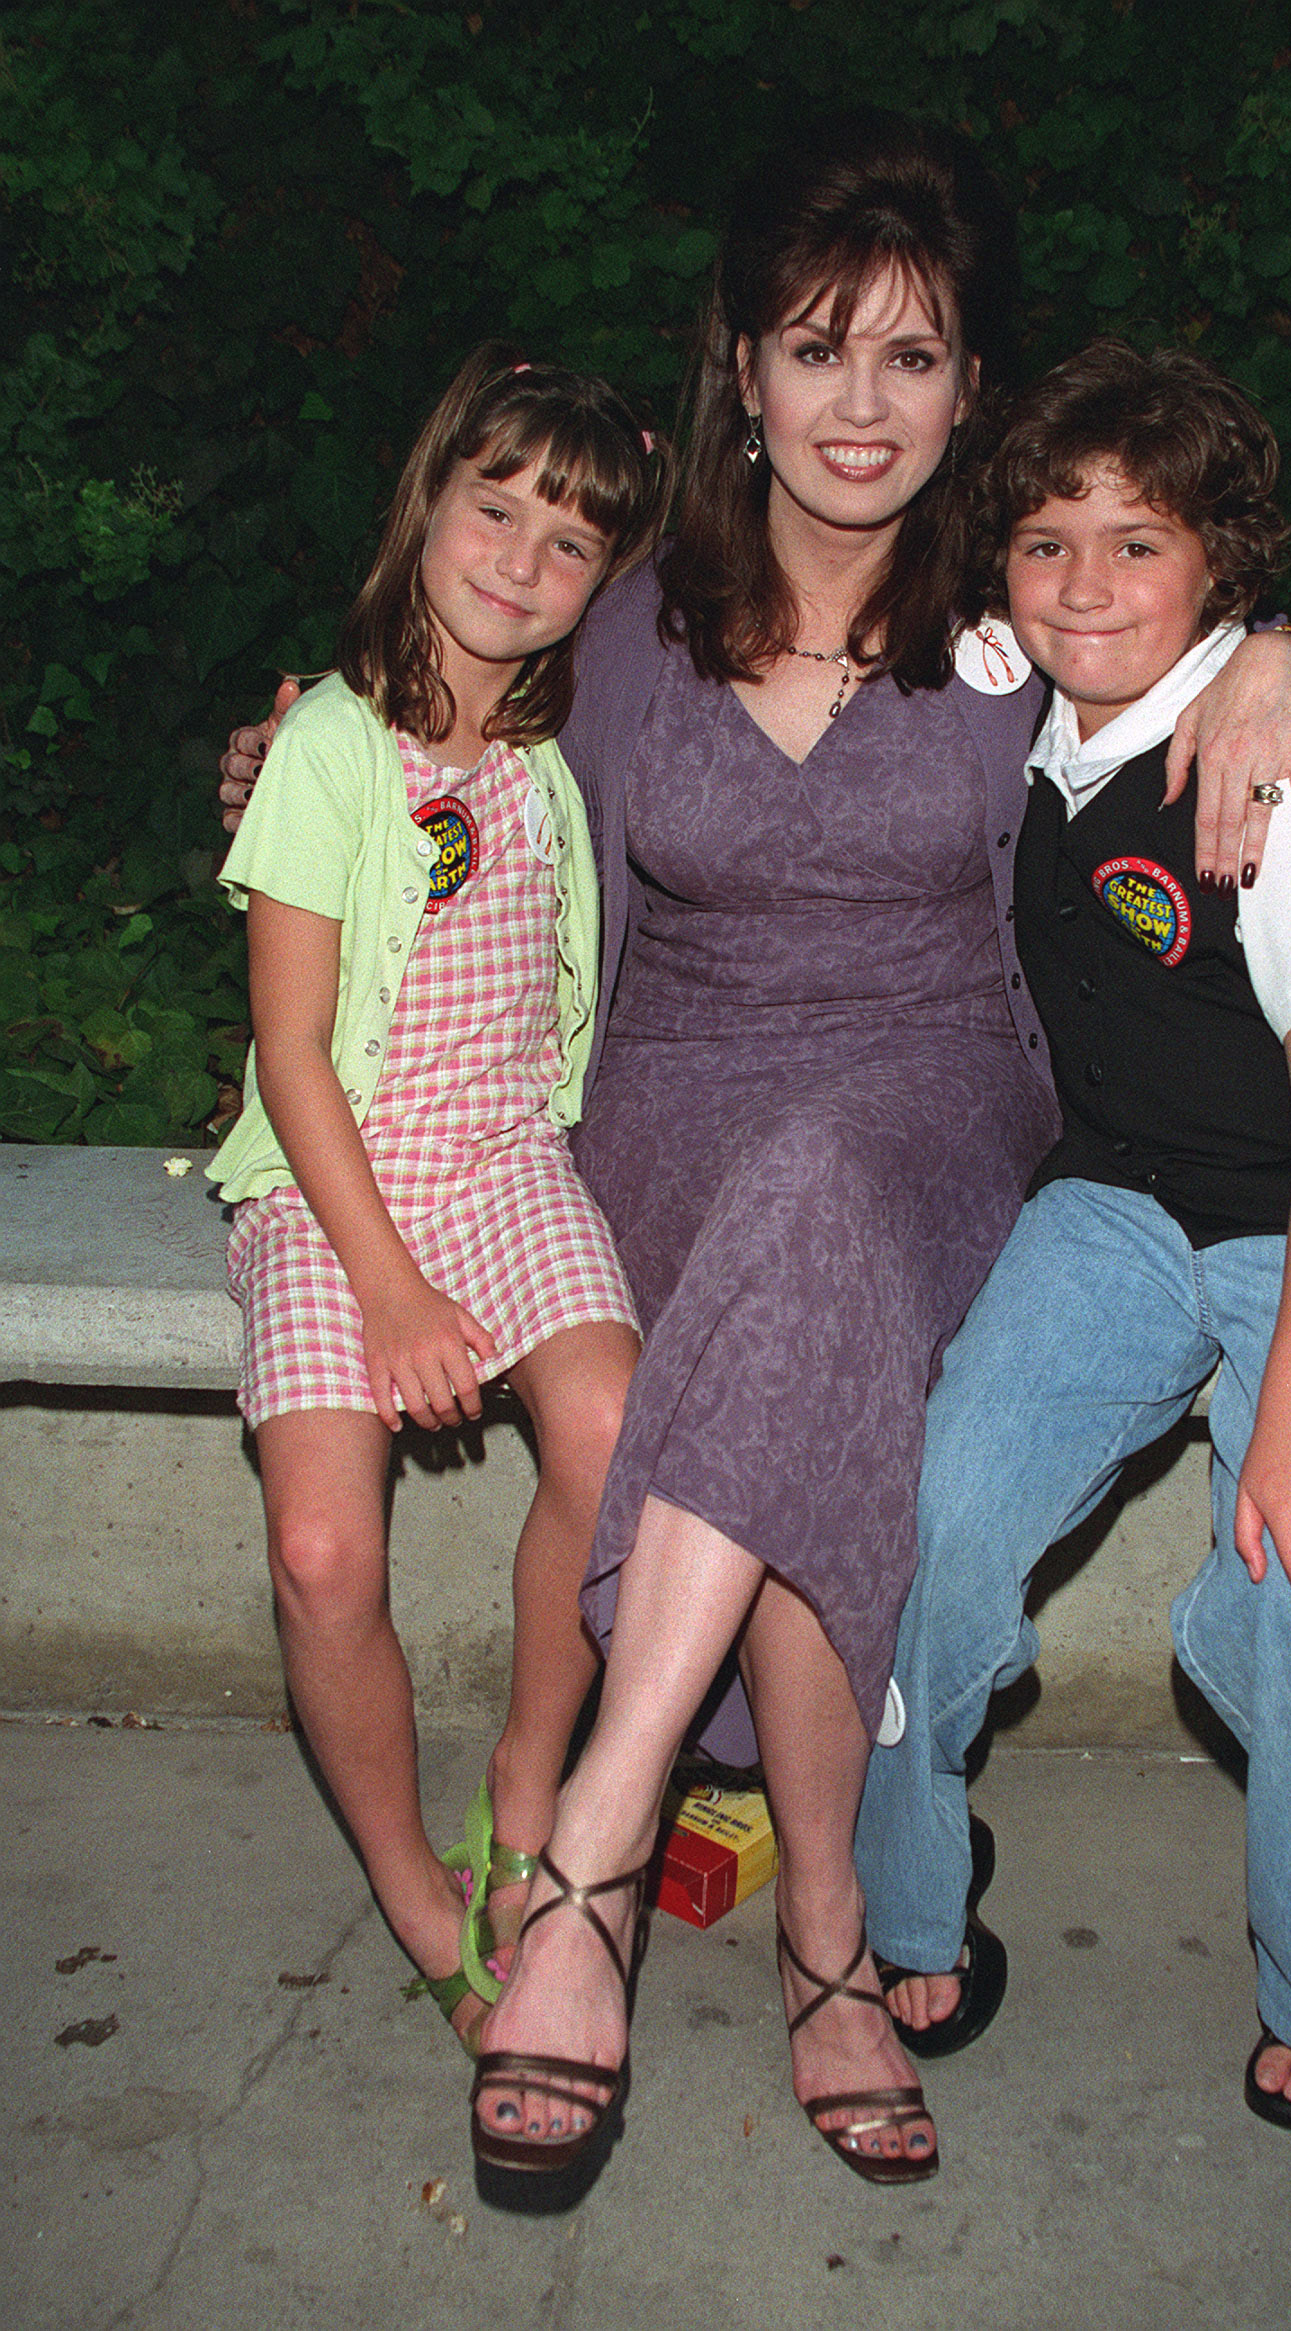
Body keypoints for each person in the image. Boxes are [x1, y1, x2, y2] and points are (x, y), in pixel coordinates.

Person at [219, 117, 1291, 2189]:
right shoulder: (625, 620)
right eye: (817, 348)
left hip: (942, 1089)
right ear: (740, 367)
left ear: (970, 388)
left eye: (917, 358)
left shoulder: (1015, 617)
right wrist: (288, 738)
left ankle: (597, 1844)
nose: (865, 405)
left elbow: (1247, 649)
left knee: (823, 1200)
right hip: (661, 1100)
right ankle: (827, 1938)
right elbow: (424, 738)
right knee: (778, 1248)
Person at [854, 337, 1291, 2133]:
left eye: (1140, 545)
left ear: (1222, 564)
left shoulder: (1272, 771)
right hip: (1121, 1192)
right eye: (1047, 542)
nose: (1086, 584)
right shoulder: (1018, 673)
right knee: (934, 1510)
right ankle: (913, 1889)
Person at [209, 346, 669, 2054]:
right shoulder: (330, 743)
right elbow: (293, 1053)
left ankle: (529, 1782)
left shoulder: (551, 755)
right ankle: (413, 1887)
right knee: (325, 1550)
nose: (520, 564)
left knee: (615, 1428)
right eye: (496, 513)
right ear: (427, 507)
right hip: (335, 1181)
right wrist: (391, 1291)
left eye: (568, 544)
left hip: (501, 1159)